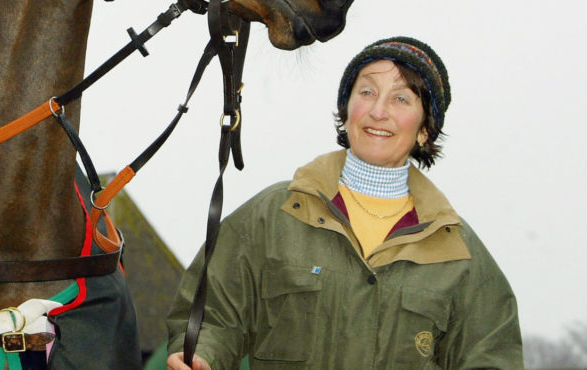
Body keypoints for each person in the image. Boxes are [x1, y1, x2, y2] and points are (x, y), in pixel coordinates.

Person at [166, 36, 523, 369]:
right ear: (346, 107)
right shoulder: (271, 216)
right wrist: (200, 354)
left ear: (425, 128)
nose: (378, 111)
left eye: (401, 98)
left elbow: (491, 356)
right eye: (367, 91)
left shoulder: (458, 253)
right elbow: (211, 317)